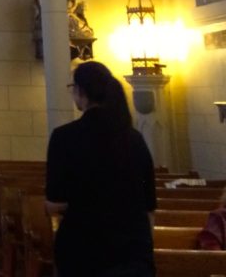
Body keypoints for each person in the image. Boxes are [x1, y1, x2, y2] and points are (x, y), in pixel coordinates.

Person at [45, 61, 157, 277]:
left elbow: (54, 202)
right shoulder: (134, 139)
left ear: (80, 91)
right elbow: (149, 206)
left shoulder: (64, 137)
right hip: (131, 253)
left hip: (83, 249)